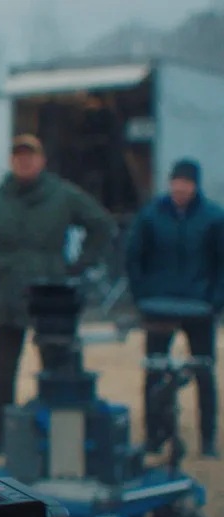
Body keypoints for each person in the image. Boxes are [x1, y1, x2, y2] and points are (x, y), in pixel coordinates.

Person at [0, 134, 115, 456]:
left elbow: (102, 224)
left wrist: (78, 266)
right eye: (18, 156)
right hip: (8, 294)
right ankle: (0, 437)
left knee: (58, 371)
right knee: (4, 373)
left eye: (29, 156)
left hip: (52, 298)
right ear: (11, 161)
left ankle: (59, 440)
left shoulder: (63, 195)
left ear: (41, 160)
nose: (24, 162)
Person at [125, 158, 224, 458]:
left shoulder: (214, 218)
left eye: (186, 183)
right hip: (159, 306)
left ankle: (207, 439)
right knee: (154, 372)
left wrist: (215, 300)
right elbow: (134, 256)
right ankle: (154, 436)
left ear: (195, 186)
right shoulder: (150, 216)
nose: (180, 188)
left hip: (200, 306)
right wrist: (142, 296)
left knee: (204, 373)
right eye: (176, 182)